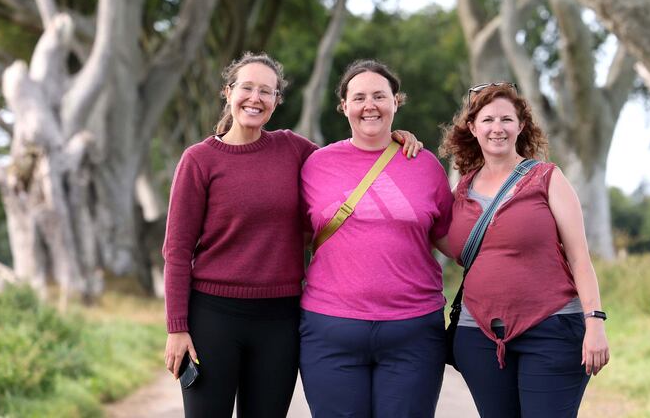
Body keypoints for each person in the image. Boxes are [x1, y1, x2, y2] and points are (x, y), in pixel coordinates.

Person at [162, 53, 421, 417]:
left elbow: (350, 161)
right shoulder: (199, 160)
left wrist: (390, 138)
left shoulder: (293, 149)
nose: (255, 98)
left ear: (276, 101)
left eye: (266, 91)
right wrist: (177, 328)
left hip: (279, 320)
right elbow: (176, 251)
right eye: (247, 88)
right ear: (228, 92)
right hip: (212, 318)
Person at [439, 82, 610, 418]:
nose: (497, 128)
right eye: (487, 120)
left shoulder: (547, 179)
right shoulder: (462, 189)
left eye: (506, 119)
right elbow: (444, 240)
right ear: (473, 128)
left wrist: (595, 322)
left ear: (520, 126)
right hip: (478, 336)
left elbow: (580, 259)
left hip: (552, 330)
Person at [298, 59, 454, 418]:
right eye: (359, 97)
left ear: (396, 102)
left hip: (413, 331)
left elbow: (450, 238)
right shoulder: (315, 164)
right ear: (344, 107)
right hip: (330, 330)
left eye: (380, 96)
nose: (370, 105)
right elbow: (289, 233)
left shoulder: (426, 164)